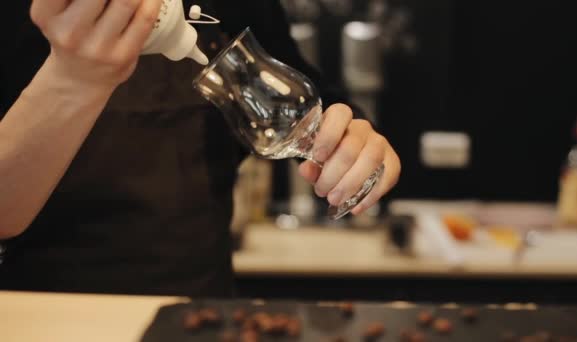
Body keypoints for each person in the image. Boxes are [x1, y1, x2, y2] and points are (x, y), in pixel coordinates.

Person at [0, 0, 400, 296]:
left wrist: (355, 142)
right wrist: (73, 77)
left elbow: (302, 98)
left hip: (199, 307)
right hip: (44, 311)